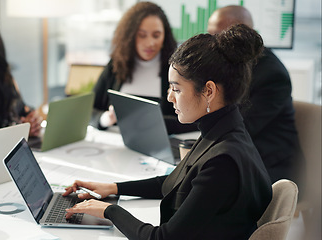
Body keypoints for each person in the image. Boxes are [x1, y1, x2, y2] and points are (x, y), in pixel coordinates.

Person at [64, 24, 272, 239]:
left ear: (208, 91)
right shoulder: (223, 131)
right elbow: (176, 182)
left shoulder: (222, 162)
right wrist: (113, 188)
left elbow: (162, 238)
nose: (170, 97)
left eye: (177, 89)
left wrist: (109, 211)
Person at [207, 5, 303, 185]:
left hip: (269, 166)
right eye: (210, 36)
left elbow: (242, 126)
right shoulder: (228, 63)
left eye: (218, 36)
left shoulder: (273, 75)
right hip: (237, 152)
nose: (212, 45)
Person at [91, 1, 196, 133]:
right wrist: (105, 118)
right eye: (142, 35)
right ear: (130, 37)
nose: (150, 43)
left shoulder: (176, 69)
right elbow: (88, 110)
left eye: (156, 35)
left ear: (165, 36)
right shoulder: (116, 64)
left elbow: (193, 120)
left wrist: (155, 122)